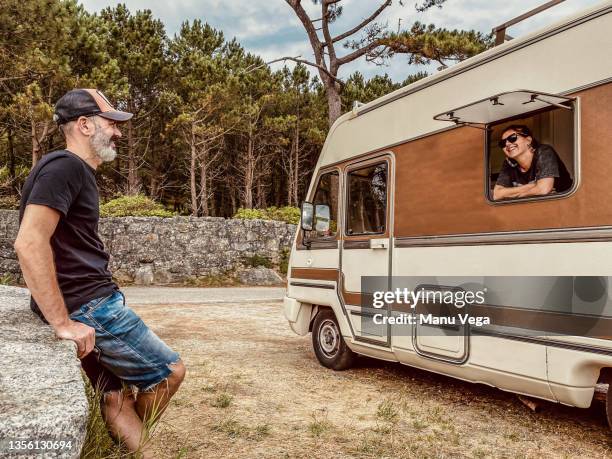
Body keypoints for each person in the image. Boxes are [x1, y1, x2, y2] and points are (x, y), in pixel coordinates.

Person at [14, 89, 185, 457]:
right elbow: (29, 243)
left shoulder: (64, 169)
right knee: (170, 372)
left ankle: (130, 450)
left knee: (113, 395)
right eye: (112, 123)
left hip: (85, 303)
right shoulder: (66, 167)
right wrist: (62, 323)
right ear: (85, 124)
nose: (119, 132)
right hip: (91, 306)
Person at [492, 124, 572, 200]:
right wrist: (533, 186)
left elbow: (543, 189)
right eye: (502, 143)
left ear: (529, 140)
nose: (507, 143)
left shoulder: (544, 151)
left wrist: (516, 195)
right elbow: (497, 194)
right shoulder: (508, 163)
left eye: (512, 138)